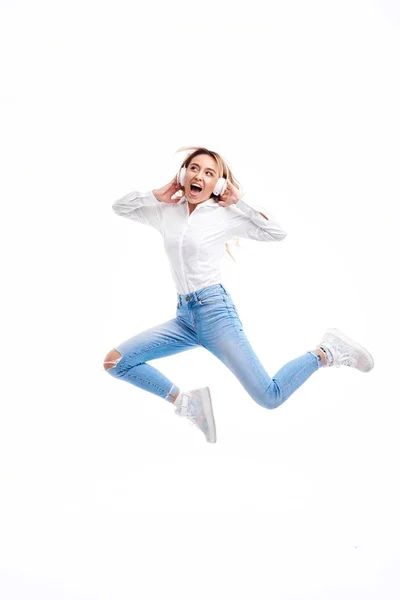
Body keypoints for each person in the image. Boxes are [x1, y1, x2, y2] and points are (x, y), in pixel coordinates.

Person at [103, 146, 374, 444]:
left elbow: (276, 233)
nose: (199, 176)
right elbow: (120, 207)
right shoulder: (166, 210)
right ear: (183, 173)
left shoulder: (224, 215)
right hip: (184, 319)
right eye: (194, 168)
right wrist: (158, 193)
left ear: (218, 184)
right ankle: (187, 404)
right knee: (116, 362)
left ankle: (325, 352)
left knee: (270, 397)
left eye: (209, 173)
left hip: (216, 315)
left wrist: (239, 203)